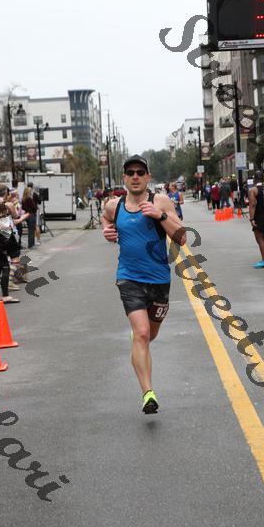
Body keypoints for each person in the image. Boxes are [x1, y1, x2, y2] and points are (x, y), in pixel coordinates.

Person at [102, 155, 186, 414]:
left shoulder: (160, 201)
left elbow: (182, 237)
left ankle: (141, 338)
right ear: (124, 178)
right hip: (128, 277)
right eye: (130, 173)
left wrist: (160, 216)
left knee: (149, 335)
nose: (135, 176)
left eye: (140, 172)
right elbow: (106, 218)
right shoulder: (114, 205)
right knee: (141, 333)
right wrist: (107, 231)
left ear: (148, 177)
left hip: (159, 279)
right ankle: (148, 393)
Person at [248, 170, 264, 268]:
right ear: (263, 179)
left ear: (255, 179)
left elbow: (252, 205)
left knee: (260, 239)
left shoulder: (253, 190)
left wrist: (252, 219)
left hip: (259, 217)